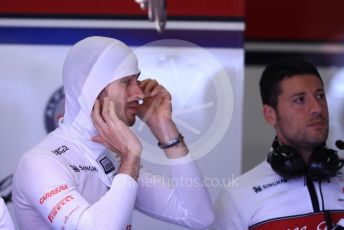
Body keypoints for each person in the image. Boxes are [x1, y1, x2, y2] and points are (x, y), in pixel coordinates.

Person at [12, 36, 214, 230]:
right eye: (126, 82)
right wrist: (130, 158)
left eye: (137, 80)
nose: (139, 93)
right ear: (88, 84)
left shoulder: (114, 158)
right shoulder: (40, 162)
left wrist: (164, 128)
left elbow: (199, 216)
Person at [212, 57, 344, 229]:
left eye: (320, 96)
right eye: (300, 100)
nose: (317, 108)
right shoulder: (238, 196)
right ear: (270, 115)